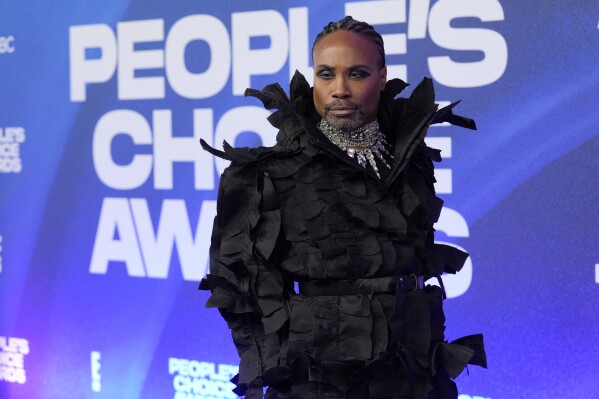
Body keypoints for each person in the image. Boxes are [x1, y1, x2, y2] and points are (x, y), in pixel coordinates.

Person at [200, 16, 486, 399]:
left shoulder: (413, 161)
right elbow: (240, 289)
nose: (339, 90)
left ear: (382, 77)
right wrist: (274, 373)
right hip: (322, 379)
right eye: (325, 74)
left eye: (356, 73)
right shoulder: (265, 173)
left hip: (416, 372)